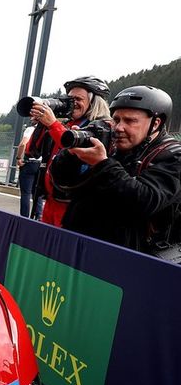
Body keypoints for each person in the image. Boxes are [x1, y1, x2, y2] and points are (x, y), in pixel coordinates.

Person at [51, 85, 181, 254]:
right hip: (80, 247)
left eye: (130, 121)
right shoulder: (108, 143)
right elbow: (62, 181)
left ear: (155, 123)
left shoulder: (172, 156)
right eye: (116, 119)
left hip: (130, 259)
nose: (119, 128)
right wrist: (71, 154)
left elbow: (145, 200)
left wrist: (102, 164)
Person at [29, 75, 111, 227]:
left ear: (94, 102)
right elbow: (31, 151)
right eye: (70, 99)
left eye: (78, 99)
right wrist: (42, 123)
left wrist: (53, 124)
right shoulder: (65, 124)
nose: (73, 103)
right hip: (51, 201)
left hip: (73, 207)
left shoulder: (101, 127)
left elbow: (75, 147)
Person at [15, 117, 45, 219]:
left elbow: (23, 144)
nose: (31, 118)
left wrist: (19, 158)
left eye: (33, 116)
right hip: (41, 164)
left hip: (29, 163)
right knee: (37, 192)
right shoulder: (46, 130)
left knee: (26, 193)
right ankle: (39, 215)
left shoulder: (30, 129)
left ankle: (24, 217)